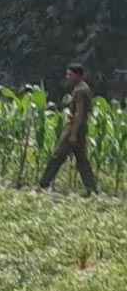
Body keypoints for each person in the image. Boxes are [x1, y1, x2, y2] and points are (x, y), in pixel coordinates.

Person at [40, 64, 98, 195]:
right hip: (80, 130)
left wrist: (73, 134)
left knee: (57, 156)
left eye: (70, 75)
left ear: (78, 75)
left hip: (74, 130)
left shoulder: (80, 91)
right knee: (82, 160)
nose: (68, 77)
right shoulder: (82, 88)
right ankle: (92, 189)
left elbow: (80, 113)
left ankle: (43, 184)